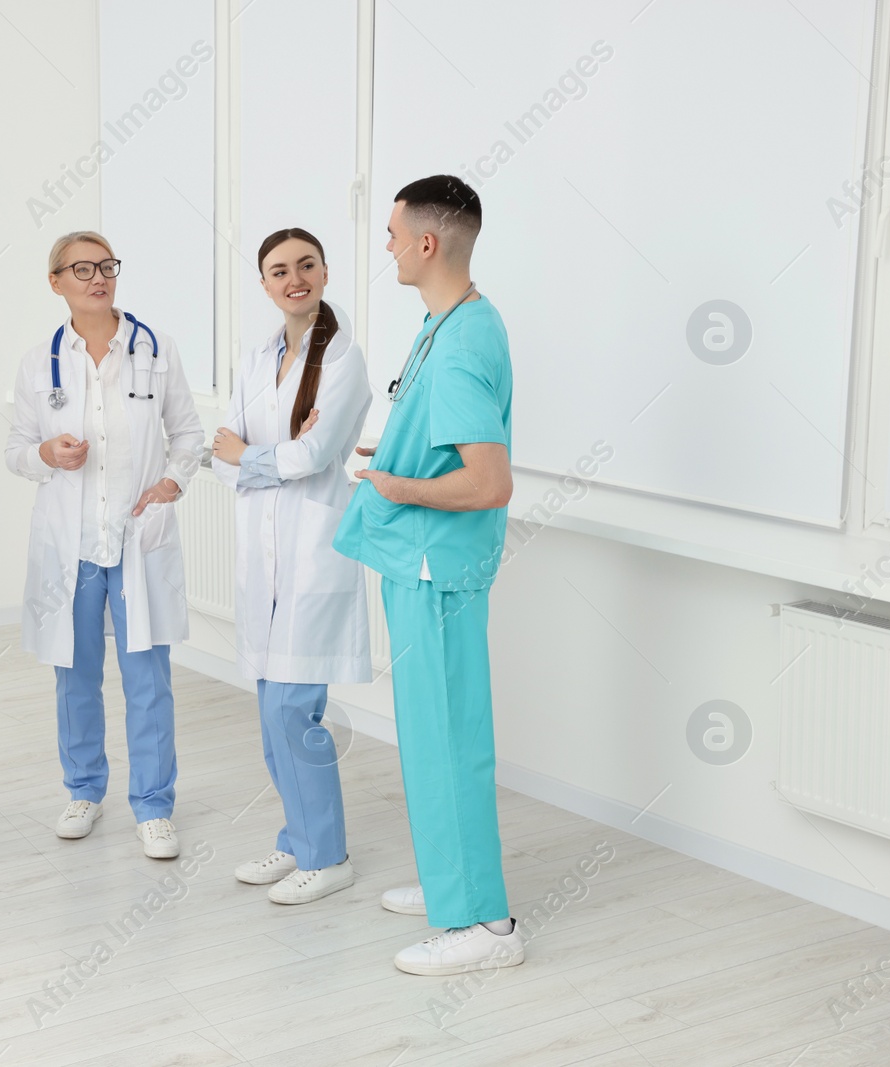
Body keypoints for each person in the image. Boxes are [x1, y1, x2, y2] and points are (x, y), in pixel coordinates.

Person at [333, 175, 522, 976]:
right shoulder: (450, 323)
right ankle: (453, 881)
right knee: (432, 736)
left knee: (447, 742)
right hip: (424, 563)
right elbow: (446, 442)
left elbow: (487, 481)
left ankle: (483, 925)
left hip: (435, 566)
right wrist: (399, 457)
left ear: (426, 242)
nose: (386, 247)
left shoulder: (462, 342)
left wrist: (401, 486)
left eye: (391, 233)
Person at [4, 231, 205, 859]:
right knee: (76, 673)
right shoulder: (40, 363)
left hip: (136, 536)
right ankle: (85, 789)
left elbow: (190, 436)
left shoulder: (156, 350)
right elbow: (15, 451)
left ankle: (153, 804)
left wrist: (171, 482)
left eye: (107, 266)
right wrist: (46, 453)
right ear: (56, 281)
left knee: (147, 676)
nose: (99, 277)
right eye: (82, 268)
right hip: (74, 544)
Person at [211, 228, 373, 905]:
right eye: (279, 270)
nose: (293, 277)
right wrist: (253, 457)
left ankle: (326, 853)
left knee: (295, 712)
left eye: (306, 265)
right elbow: (219, 455)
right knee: (271, 710)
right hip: (264, 560)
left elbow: (310, 457)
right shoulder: (256, 359)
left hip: (312, 557)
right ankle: (297, 836)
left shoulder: (344, 358)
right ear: (264, 283)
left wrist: (250, 456)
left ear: (325, 272)